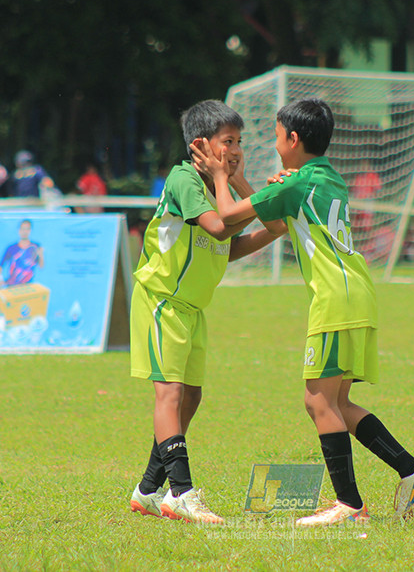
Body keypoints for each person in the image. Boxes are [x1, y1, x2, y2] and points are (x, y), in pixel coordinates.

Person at [191, 98, 414, 527]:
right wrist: (250, 183)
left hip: (335, 297)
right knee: (337, 402)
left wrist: (220, 176)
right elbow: (280, 224)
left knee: (317, 399)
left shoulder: (295, 183)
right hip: (357, 291)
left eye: (274, 135)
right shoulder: (324, 178)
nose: (272, 143)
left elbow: (229, 215)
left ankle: (350, 505)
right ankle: (413, 471)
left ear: (292, 139)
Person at [128, 100, 286, 525]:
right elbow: (218, 226)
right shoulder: (184, 179)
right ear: (200, 145)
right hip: (161, 301)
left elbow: (257, 233)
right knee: (171, 394)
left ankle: (147, 490)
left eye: (240, 142)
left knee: (191, 397)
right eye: (227, 142)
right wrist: (225, 181)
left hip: (192, 308)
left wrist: (247, 187)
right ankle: (181, 494)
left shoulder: (220, 188)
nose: (236, 150)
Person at [0, 219, 44, 287]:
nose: (25, 232)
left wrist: (41, 255)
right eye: (23, 229)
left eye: (27, 229)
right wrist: (0, 279)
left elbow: (41, 266)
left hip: (28, 286)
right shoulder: (11, 248)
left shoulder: (36, 246)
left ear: (30, 231)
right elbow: (0, 266)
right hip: (12, 286)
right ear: (19, 230)